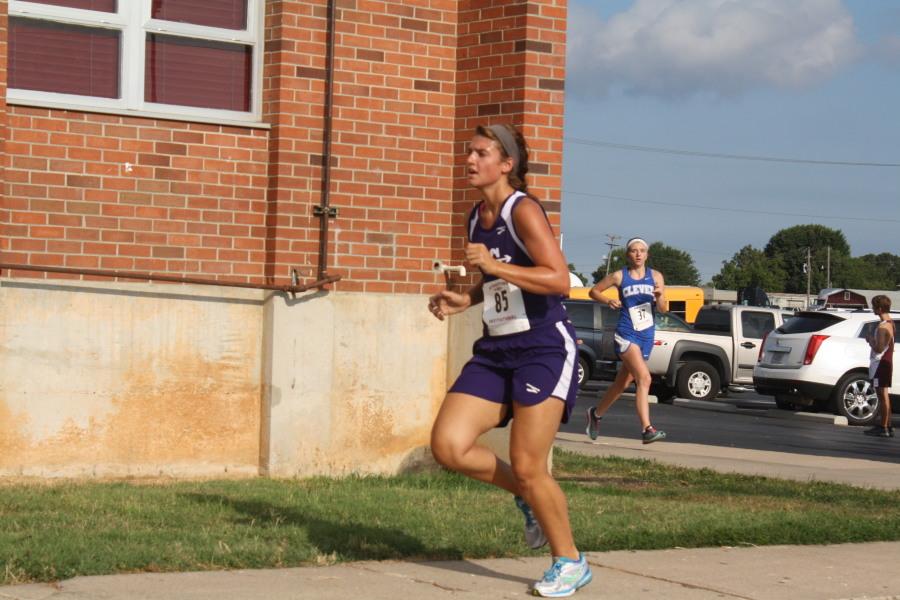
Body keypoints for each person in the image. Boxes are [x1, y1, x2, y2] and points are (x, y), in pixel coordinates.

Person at [428, 123, 592, 597]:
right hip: (497, 348)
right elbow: (500, 284)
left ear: (507, 164)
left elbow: (558, 279)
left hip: (543, 347)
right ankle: (526, 498)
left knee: (527, 463)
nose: (470, 160)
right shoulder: (474, 216)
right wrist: (467, 299)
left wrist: (494, 265)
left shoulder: (524, 211)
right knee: (449, 445)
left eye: (481, 153)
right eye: (469, 152)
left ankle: (570, 560)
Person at [584, 238, 668, 444]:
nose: (638, 254)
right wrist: (609, 300)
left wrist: (658, 296)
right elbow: (593, 291)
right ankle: (647, 429)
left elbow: (664, 309)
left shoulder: (655, 276)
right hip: (626, 333)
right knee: (645, 379)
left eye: (642, 251)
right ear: (628, 255)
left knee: (622, 383)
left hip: (646, 335)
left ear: (647, 254)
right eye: (633, 251)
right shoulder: (619, 276)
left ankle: (596, 414)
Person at [864, 294, 894, 438]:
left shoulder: (883, 327)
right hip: (886, 363)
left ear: (880, 308)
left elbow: (879, 348)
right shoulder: (891, 323)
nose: (872, 309)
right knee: (885, 395)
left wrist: (870, 339)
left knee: (881, 395)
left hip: (880, 364)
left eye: (874, 306)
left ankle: (883, 427)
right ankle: (887, 425)